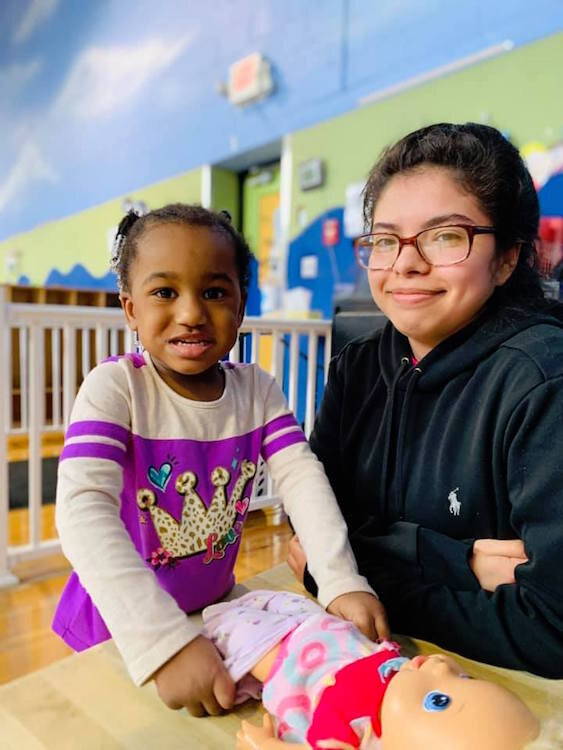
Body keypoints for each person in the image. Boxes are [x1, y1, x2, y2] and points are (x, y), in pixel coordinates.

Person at [52, 204, 388, 717]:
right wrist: (163, 643)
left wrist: (340, 579)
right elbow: (81, 512)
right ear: (130, 309)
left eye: (213, 292)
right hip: (120, 627)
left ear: (241, 304)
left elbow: (302, 478)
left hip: (213, 611)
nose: (190, 312)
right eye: (165, 292)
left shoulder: (257, 390)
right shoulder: (115, 388)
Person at [288, 123, 563, 677]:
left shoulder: (543, 381)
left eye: (444, 236)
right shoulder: (358, 366)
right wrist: (456, 561)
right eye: (385, 240)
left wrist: (349, 577)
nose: (404, 264)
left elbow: (552, 627)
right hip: (365, 674)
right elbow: (309, 527)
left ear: (507, 257)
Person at [198, 589, 543, 749]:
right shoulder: (413, 677)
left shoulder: (356, 742)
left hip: (288, 657)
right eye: (465, 678)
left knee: (224, 620)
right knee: (267, 598)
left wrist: (263, 745)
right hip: (326, 627)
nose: (438, 665)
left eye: (439, 700)